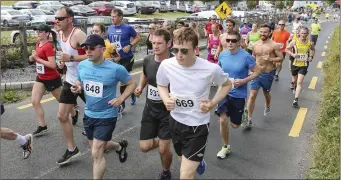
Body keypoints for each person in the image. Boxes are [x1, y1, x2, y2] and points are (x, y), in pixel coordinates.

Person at [156, 27, 232, 179]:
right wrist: (166, 100)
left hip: (198, 125)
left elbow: (227, 84)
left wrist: (212, 102)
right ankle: (198, 161)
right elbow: (162, 85)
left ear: (196, 49)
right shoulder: (167, 65)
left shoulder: (210, 68)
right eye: (175, 50)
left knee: (185, 175)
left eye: (184, 51)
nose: (179, 55)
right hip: (175, 121)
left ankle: (195, 160)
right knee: (182, 159)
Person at [71, 34, 135, 179]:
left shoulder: (115, 69)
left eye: (92, 48)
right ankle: (119, 146)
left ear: (102, 49)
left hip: (107, 115)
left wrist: (121, 98)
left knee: (96, 153)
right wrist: (77, 87)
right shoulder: (82, 65)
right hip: (89, 114)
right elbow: (79, 82)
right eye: (86, 48)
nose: (88, 51)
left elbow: (132, 83)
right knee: (99, 146)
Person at [134, 29, 174, 180]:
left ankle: (166, 171)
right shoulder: (148, 60)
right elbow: (145, 74)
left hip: (167, 112)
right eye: (153, 42)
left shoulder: (175, 63)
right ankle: (166, 140)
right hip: (150, 109)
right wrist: (140, 87)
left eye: (159, 43)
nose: (155, 46)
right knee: (144, 147)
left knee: (164, 149)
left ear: (169, 43)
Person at [215, 31, 261, 158]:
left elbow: (257, 72)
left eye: (233, 41)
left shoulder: (246, 56)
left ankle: (244, 114)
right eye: (228, 40)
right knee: (223, 119)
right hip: (224, 92)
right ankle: (225, 147)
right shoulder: (223, 55)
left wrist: (243, 81)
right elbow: (219, 72)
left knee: (235, 125)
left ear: (239, 42)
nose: (230, 43)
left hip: (239, 94)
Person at [54, 7, 88, 165]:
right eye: (56, 18)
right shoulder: (60, 34)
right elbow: (64, 53)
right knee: (62, 115)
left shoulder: (78, 34)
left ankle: (107, 142)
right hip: (70, 79)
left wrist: (72, 57)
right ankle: (72, 149)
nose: (56, 21)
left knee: (99, 112)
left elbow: (94, 53)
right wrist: (62, 63)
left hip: (87, 80)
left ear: (70, 19)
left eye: (60, 18)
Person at [246, 24, 283, 127]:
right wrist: (250, 69)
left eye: (265, 32)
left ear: (270, 32)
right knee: (252, 95)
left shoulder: (274, 45)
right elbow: (253, 57)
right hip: (256, 73)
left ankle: (267, 105)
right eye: (261, 32)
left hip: (268, 73)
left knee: (266, 93)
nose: (262, 34)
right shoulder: (255, 44)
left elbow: (281, 58)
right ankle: (248, 119)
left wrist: (270, 59)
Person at [28, 24, 62, 136]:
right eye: (37, 31)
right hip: (41, 77)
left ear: (47, 33)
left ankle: (74, 112)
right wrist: (32, 58)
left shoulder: (48, 46)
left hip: (52, 78)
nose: (38, 33)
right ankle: (43, 126)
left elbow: (53, 65)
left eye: (40, 31)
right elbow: (38, 59)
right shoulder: (38, 43)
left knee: (62, 101)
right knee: (34, 101)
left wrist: (37, 58)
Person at [107, 8, 141, 109]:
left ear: (121, 17)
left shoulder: (128, 28)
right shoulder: (110, 28)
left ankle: (121, 104)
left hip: (126, 57)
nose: (112, 18)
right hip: (114, 58)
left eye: (114, 16)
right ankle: (132, 92)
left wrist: (130, 45)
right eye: (111, 17)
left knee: (123, 80)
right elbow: (108, 42)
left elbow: (138, 37)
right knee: (114, 80)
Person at [285, 27, 315, 107]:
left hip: (304, 65)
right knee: (294, 80)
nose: (303, 35)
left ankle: (296, 100)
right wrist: (293, 54)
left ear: (307, 34)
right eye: (302, 33)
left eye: (305, 33)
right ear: (299, 33)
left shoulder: (309, 43)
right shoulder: (295, 41)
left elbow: (313, 49)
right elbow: (286, 49)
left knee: (299, 82)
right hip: (295, 64)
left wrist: (311, 57)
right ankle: (294, 86)